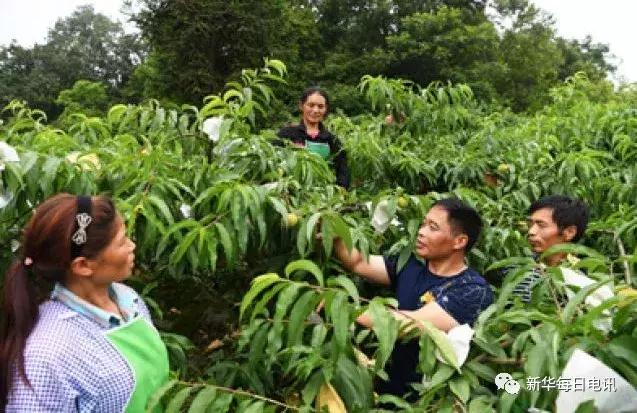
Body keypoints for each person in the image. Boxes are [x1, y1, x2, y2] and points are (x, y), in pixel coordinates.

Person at [1, 194, 169, 412]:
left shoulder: (129, 299)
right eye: (122, 241)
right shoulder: (47, 355)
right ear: (83, 266)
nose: (132, 246)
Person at [333, 198, 493, 398]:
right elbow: (357, 263)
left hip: (425, 399)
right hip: (384, 388)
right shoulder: (410, 265)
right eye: (424, 224)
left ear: (459, 241)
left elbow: (408, 324)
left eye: (433, 227)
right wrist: (335, 235)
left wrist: (339, 308)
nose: (421, 231)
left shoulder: (472, 290)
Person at [512, 195, 614, 307]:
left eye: (541, 225)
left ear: (569, 232)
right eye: (530, 224)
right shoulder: (517, 270)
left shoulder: (588, 289)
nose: (531, 231)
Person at [277, 87, 350, 188]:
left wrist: (339, 192)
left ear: (326, 109)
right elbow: (274, 163)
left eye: (320, 107)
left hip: (323, 195)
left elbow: (343, 173)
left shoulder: (332, 140)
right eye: (311, 105)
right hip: (291, 192)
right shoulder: (287, 134)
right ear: (301, 106)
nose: (315, 110)